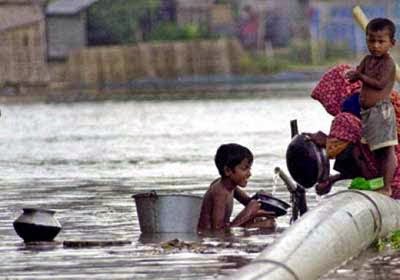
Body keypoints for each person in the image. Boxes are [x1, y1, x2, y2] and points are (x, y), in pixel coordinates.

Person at [345, 18, 398, 196]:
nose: (375, 45)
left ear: (392, 43)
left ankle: (387, 187)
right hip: (367, 113)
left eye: (381, 41)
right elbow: (358, 74)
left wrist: (359, 76)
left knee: (387, 150)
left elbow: (379, 83)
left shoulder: (388, 64)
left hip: (381, 111)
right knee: (376, 151)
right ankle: (380, 183)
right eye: (371, 40)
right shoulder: (367, 60)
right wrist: (352, 75)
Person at [197, 143, 276, 231]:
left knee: (268, 224)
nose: (249, 174)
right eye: (244, 169)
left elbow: (249, 202)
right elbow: (217, 231)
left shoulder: (230, 187)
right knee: (264, 225)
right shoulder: (220, 192)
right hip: (210, 236)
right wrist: (248, 213)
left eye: (250, 169)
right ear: (227, 171)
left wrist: (260, 198)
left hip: (225, 229)